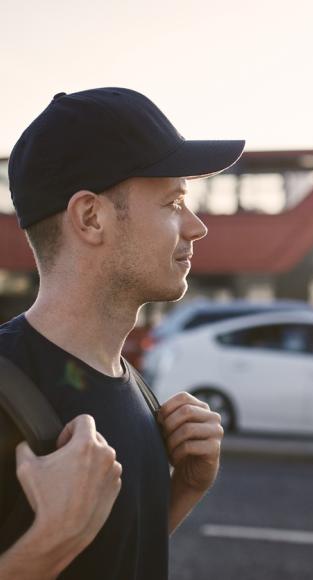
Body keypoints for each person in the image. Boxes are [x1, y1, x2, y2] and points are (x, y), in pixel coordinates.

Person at [0, 87, 245, 579]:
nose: (196, 227)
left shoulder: (133, 387)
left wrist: (184, 489)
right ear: (91, 217)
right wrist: (49, 543)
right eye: (173, 201)